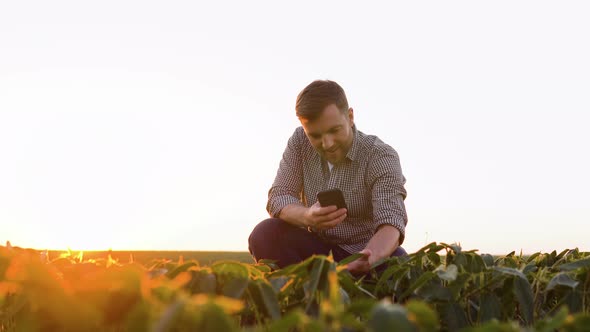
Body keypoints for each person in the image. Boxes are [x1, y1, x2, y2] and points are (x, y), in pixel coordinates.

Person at [248, 80, 408, 276]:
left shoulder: (380, 156)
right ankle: (304, 297)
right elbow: (279, 196)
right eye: (315, 135)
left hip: (366, 252)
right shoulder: (299, 142)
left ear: (350, 117)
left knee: (398, 263)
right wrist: (307, 216)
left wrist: (369, 257)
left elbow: (391, 221)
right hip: (316, 252)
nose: (327, 144)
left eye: (334, 130)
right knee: (265, 233)